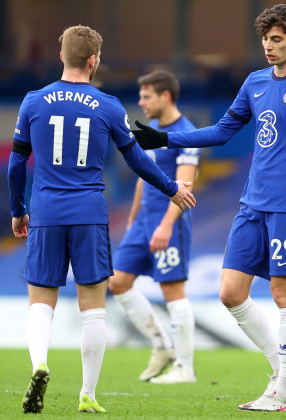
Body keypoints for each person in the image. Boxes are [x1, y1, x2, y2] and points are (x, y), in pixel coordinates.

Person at [132, 4, 286, 412]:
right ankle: (284, 367)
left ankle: (283, 394)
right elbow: (223, 130)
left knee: (282, 291)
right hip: (252, 202)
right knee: (230, 292)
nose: (269, 47)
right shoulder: (255, 82)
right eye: (265, 39)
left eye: (277, 39)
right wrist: (166, 140)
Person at [8, 25, 196, 415]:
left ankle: (40, 364)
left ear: (62, 56)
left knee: (41, 302)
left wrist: (17, 210)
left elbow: (15, 164)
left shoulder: (33, 101)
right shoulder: (108, 106)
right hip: (89, 214)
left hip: (45, 211)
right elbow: (138, 160)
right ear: (94, 61)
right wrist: (171, 187)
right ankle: (87, 394)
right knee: (93, 307)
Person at [108, 70, 200, 384]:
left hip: (168, 221)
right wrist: (133, 217)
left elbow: (185, 186)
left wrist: (165, 225)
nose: (141, 102)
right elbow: (142, 177)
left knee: (172, 289)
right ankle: (162, 345)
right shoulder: (153, 131)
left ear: (166, 96)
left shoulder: (185, 133)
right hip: (144, 220)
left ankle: (185, 368)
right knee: (118, 283)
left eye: (147, 96)